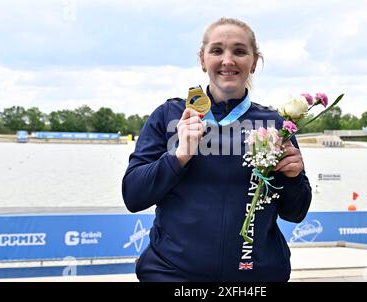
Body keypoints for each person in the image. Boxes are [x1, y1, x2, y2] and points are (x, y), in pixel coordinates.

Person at [122, 17, 312, 282]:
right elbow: (133, 196)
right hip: (173, 275)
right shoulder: (170, 115)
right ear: (202, 59)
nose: (228, 60)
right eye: (217, 50)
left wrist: (293, 178)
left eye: (239, 51)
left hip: (256, 278)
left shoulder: (274, 125)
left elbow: (295, 213)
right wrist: (178, 157)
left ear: (254, 62)